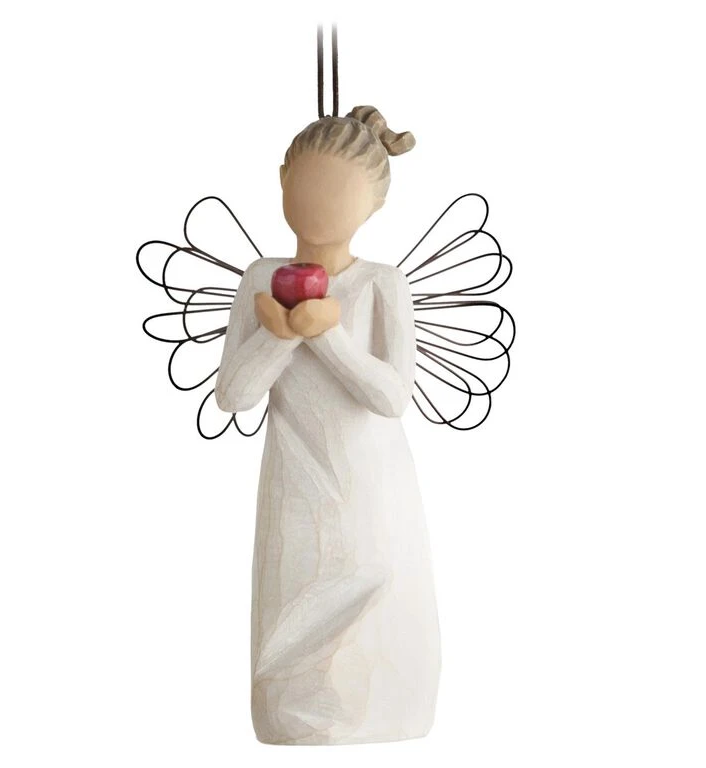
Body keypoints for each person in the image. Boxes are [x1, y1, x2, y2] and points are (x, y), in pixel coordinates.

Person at [215, 106, 441, 745]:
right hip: (296, 480)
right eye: (307, 186)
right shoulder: (260, 281)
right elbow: (234, 394)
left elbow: (393, 396)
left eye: (338, 191)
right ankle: (295, 718)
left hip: (371, 487)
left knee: (375, 594)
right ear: (281, 181)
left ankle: (386, 707)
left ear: (374, 202)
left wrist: (327, 335)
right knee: (294, 605)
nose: (319, 205)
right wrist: (280, 333)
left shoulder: (381, 284)